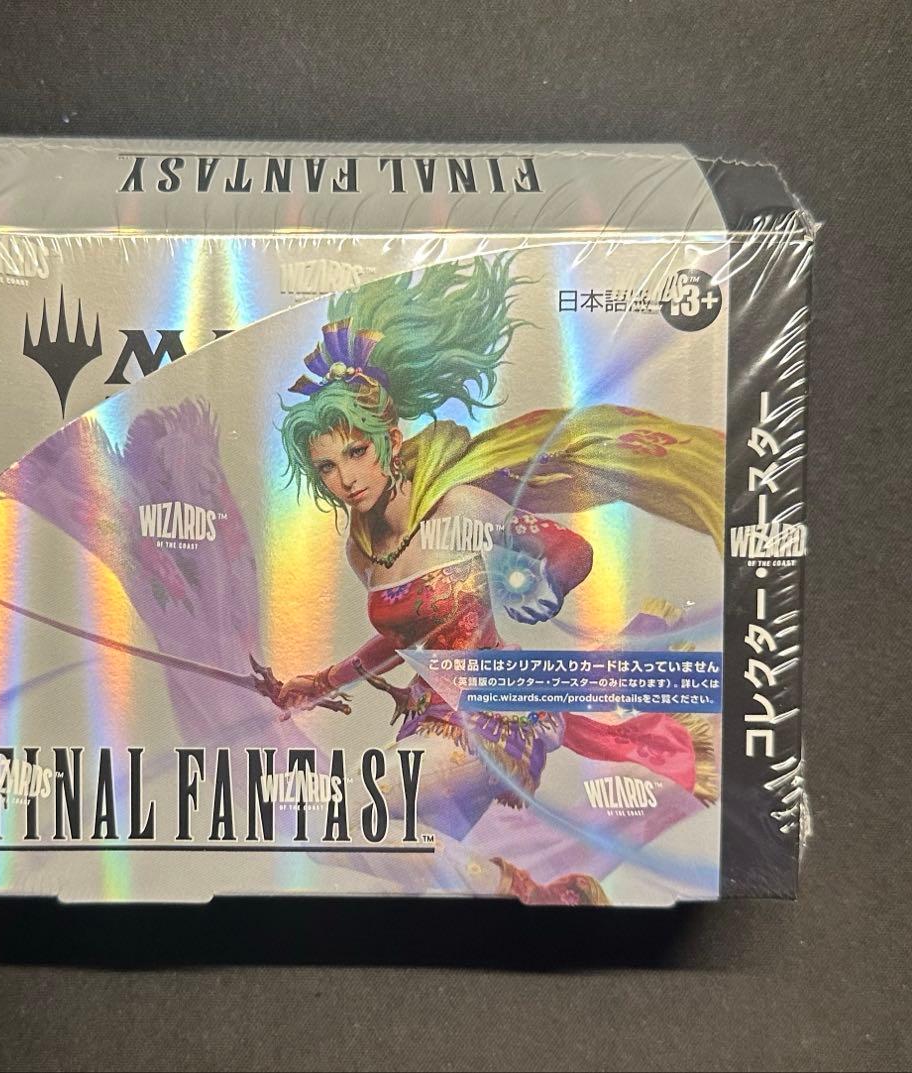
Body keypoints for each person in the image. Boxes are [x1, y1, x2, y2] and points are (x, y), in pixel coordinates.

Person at [274, 254, 723, 903]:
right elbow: (403, 638)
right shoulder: (362, 549)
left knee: (331, 821)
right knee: (411, 878)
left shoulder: (458, 506)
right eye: (326, 467)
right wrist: (320, 682)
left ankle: (527, 893)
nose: (345, 478)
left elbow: (568, 549)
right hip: (428, 723)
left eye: (356, 452)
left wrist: (547, 584)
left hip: (489, 720)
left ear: (389, 439)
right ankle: (558, 902)